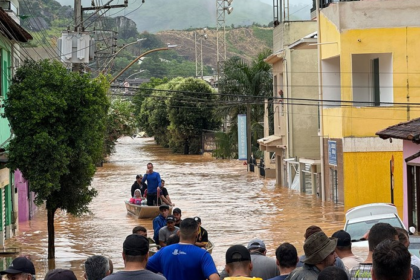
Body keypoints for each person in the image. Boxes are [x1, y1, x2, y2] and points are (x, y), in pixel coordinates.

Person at [146, 218, 220, 280]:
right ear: (196, 233)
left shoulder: (164, 251)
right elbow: (214, 278)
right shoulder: (203, 255)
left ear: (178, 232)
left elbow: (141, 266)